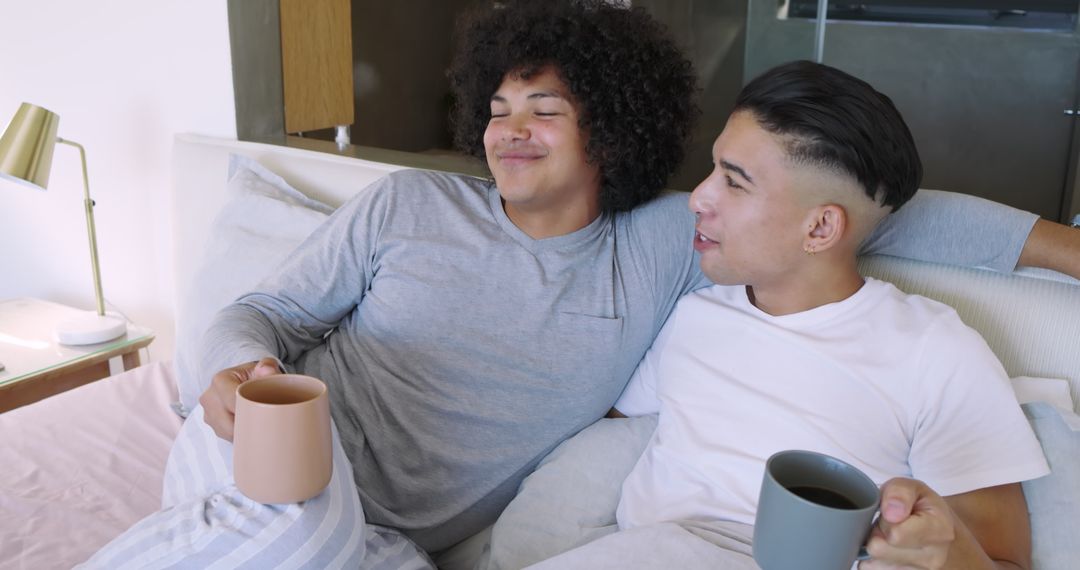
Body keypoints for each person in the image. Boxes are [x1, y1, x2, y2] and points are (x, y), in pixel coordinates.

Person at [83, 2, 1075, 569]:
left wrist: (1064, 248)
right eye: (497, 107)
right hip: (264, 461)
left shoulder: (664, 246)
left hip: (384, 547)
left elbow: (880, 212)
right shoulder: (406, 206)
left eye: (543, 110)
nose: (508, 128)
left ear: (608, 128)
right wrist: (232, 367)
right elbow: (264, 312)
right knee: (283, 524)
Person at [516, 61, 1049, 570]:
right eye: (712, 168)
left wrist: (944, 553)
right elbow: (610, 430)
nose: (698, 197)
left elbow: (1003, 559)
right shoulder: (693, 316)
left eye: (735, 181)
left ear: (819, 229)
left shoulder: (936, 351)